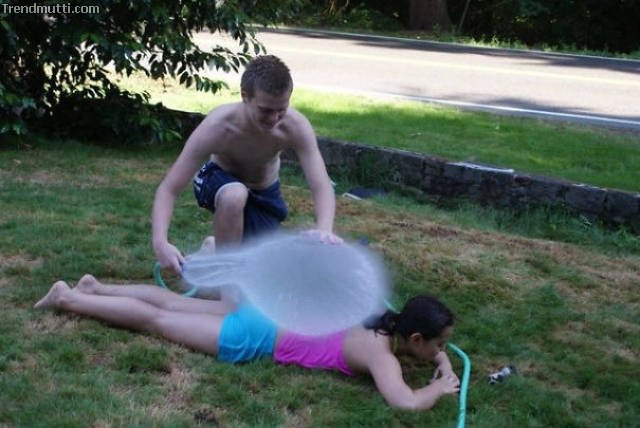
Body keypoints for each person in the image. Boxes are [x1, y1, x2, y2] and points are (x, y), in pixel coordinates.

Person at [34, 275, 460, 410]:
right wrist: (439, 388)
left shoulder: (377, 318)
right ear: (414, 337)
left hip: (267, 314)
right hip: (255, 337)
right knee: (159, 321)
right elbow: (405, 401)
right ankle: (71, 299)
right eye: (438, 345)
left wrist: (440, 364)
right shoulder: (381, 356)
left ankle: (96, 287)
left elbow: (422, 356)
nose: (440, 352)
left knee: (172, 303)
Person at [152, 55, 339, 274]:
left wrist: (324, 229)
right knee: (234, 195)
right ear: (244, 96)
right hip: (217, 180)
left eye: (281, 109)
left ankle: (213, 248)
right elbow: (169, 188)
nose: (274, 118)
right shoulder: (218, 126)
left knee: (264, 269)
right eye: (265, 110)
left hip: (264, 193)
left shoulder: (295, 126)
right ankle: (225, 280)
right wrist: (160, 243)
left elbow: (321, 185)